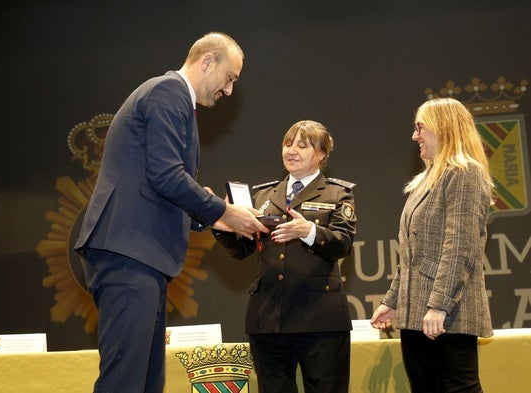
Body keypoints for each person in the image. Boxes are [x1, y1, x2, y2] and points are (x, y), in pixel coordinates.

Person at [74, 32, 268, 393]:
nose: (228, 92)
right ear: (208, 61)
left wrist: (213, 214)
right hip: (129, 254)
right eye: (230, 79)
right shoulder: (169, 92)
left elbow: (158, 181)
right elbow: (166, 175)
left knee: (147, 382)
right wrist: (223, 211)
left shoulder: (172, 99)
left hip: (141, 257)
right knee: (126, 382)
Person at [213, 120, 357, 393]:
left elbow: (343, 243)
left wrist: (309, 231)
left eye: (303, 146)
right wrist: (222, 227)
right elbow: (242, 250)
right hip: (268, 319)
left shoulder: (338, 193)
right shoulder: (263, 194)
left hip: (320, 319)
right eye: (288, 144)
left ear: (322, 153)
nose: (292, 151)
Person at [370, 97, 494, 393]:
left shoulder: (464, 173)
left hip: (448, 315)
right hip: (417, 316)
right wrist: (393, 301)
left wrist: (439, 306)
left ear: (443, 128)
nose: (415, 136)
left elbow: (459, 248)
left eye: (420, 127)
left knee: (457, 388)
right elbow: (412, 257)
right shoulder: (425, 181)